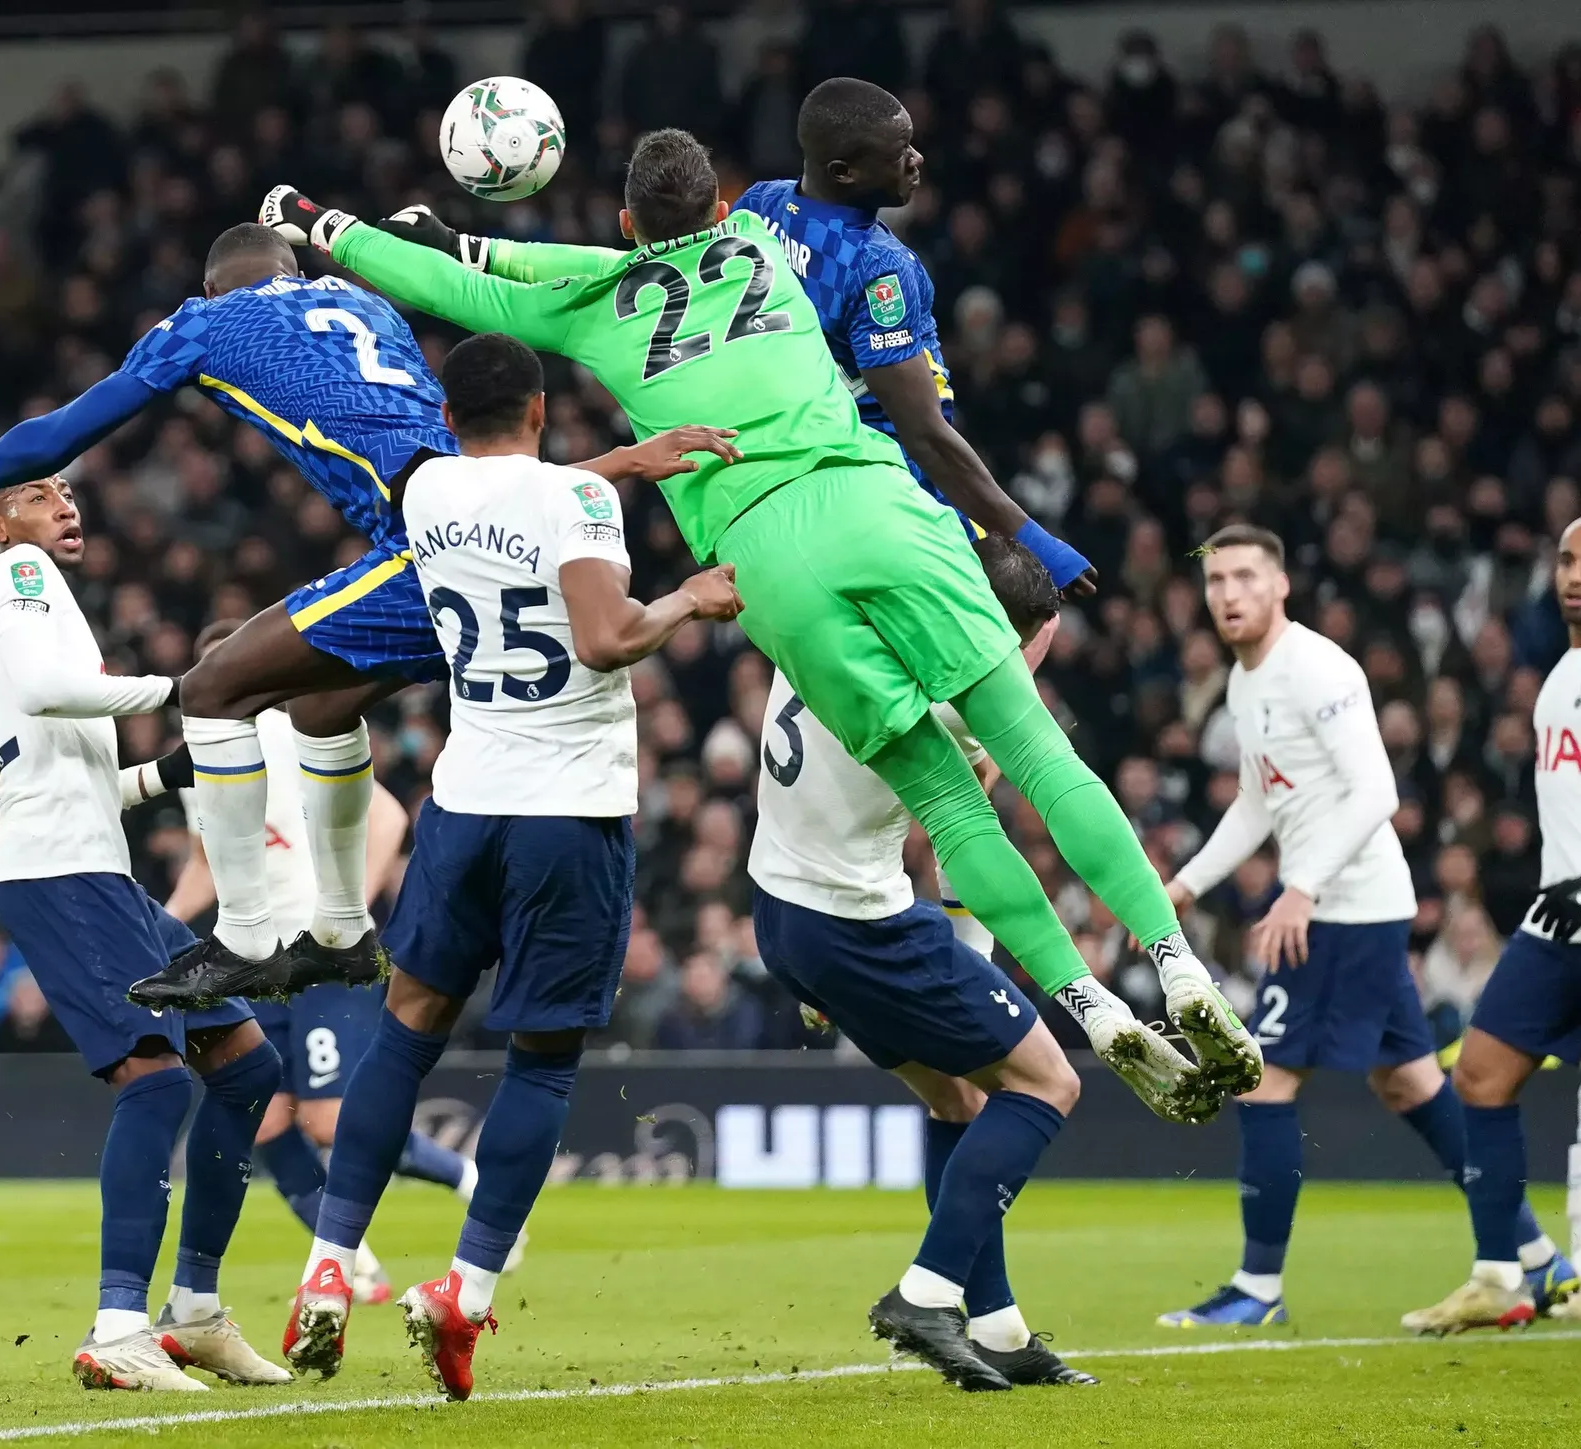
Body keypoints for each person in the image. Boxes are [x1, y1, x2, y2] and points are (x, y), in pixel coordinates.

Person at [262, 131, 1260, 1106]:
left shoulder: (600, 307)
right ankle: (1176, 970)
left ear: (624, 225)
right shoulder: (766, 243)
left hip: (763, 551)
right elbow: (569, 258)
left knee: (948, 805)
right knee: (1037, 752)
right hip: (876, 505)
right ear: (722, 206)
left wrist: (321, 223)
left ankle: (1088, 1009)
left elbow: (471, 290)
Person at [0, 224, 741, 1011]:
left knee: (215, 684)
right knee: (317, 708)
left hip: (420, 549)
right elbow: (474, 457)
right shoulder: (363, 306)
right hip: (466, 526)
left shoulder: (205, 323)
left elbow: (63, 434)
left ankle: (247, 936)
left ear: (211, 287)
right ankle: (343, 930)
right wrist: (616, 461)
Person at [280, 333, 742, 1399]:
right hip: (565, 821)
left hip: (463, 802)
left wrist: (628, 460)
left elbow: (512, 497)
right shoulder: (579, 509)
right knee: (538, 1061)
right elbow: (603, 635)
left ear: (449, 419)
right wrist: (687, 599)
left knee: (403, 1035)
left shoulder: (431, 488)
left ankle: (328, 1261)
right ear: (540, 411)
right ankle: (466, 1295)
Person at [753, 534, 1183, 1390]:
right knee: (1049, 1083)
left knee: (962, 1093)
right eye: (1029, 649)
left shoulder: (824, 608)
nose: (1022, 670)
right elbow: (966, 849)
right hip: (857, 924)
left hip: (780, 906)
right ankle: (925, 1292)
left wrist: (973, 982)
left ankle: (997, 1327)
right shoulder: (959, 698)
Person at [1155, 525, 1573, 1327]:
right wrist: (1188, 882)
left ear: (1281, 585)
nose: (1228, 593)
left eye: (1245, 576)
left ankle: (1258, 1289)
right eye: (1215, 581)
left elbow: (1377, 790)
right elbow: (1256, 802)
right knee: (1410, 1081)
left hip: (1341, 910)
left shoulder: (1316, 666)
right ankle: (1534, 1254)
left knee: (1264, 1078)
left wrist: (1300, 888)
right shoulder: (1246, 683)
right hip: (1344, 906)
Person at [0, 475, 289, 1391]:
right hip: (59, 871)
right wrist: (186, 688)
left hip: (93, 865)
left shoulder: (41, 601)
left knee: (248, 1064)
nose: (64, 503)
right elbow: (46, 690)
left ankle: (193, 1312)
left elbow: (74, 766)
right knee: (152, 1084)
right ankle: (117, 1326)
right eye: (38, 492)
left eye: (69, 490)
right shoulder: (17, 573)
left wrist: (167, 770)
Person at [122, 619, 498, 1307]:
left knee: (325, 1120)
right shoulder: (201, 757)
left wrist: (345, 906)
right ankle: (355, 1267)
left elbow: (385, 818)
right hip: (252, 959)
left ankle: (470, 1182)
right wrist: (162, 931)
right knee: (263, 1122)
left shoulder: (293, 732)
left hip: (317, 957)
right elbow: (211, 861)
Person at [730, 79, 1094, 597]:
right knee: (1031, 608)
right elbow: (922, 433)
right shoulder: (880, 269)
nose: (916, 159)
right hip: (902, 490)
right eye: (899, 153)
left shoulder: (758, 206)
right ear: (844, 172)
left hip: (805, 474)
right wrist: (1034, 538)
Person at [1403, 518, 1581, 1331]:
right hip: (1559, 914)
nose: (1575, 574)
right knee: (1478, 1073)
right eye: (1568, 557)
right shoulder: (1556, 681)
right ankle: (1501, 1273)